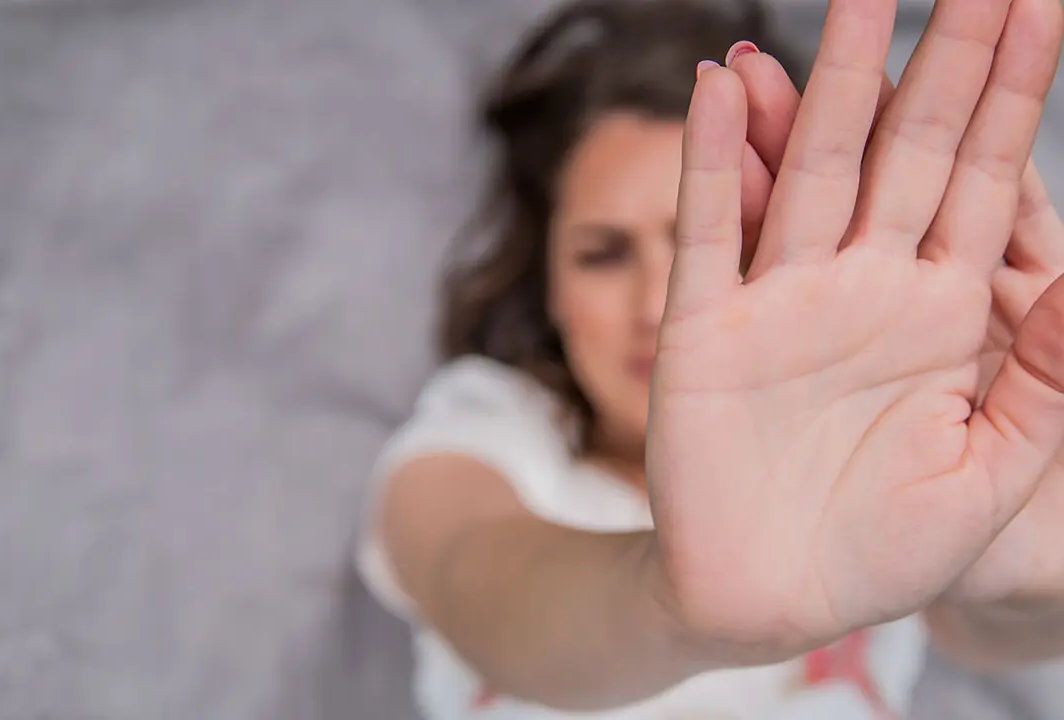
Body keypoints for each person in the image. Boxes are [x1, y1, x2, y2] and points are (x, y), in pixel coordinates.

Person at [357, 0, 1064, 717]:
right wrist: (676, 607)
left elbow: (990, 628)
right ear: (547, 284)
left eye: (712, 240)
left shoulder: (878, 446)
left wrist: (1025, 566)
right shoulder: (490, 432)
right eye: (602, 254)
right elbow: (475, 580)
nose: (654, 307)